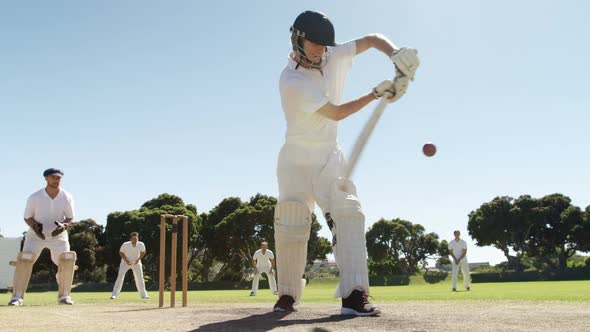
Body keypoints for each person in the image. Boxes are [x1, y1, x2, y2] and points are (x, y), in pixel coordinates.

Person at [273, 10, 419, 316]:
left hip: (329, 154)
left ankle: (354, 295)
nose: (321, 50)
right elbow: (335, 113)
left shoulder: (332, 55)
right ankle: (287, 295)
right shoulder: (292, 81)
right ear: (298, 38)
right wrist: (377, 93)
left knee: (348, 213)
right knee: (291, 222)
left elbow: (371, 39)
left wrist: (395, 53)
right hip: (294, 160)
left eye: (325, 44)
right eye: (315, 43)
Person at [9, 168, 77, 306]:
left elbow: (70, 217)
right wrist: (35, 227)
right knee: (25, 262)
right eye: (53, 177)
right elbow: (27, 217)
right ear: (46, 178)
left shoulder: (66, 196)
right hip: (35, 236)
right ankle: (17, 298)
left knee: (67, 261)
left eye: (58, 178)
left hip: (58, 237)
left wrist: (64, 225)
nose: (56, 180)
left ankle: (64, 296)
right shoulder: (35, 197)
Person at [111, 232, 149, 299]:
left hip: (136, 263)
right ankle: (114, 295)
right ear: (130, 239)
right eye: (134, 238)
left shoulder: (141, 244)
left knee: (140, 278)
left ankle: (144, 295)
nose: (135, 239)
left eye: (136, 238)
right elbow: (121, 252)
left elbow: (143, 252)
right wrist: (126, 260)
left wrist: (138, 259)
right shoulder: (125, 244)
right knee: (120, 277)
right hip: (125, 263)